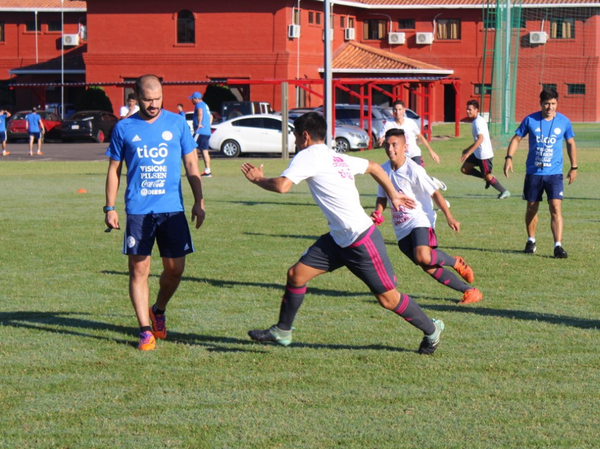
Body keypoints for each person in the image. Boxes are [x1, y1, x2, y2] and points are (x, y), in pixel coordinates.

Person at [241, 112, 445, 355]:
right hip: (338, 239)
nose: (295, 141)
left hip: (361, 240)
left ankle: (432, 330)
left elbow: (283, 186)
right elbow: (372, 167)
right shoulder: (333, 156)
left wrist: (258, 179)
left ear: (305, 136)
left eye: (295, 136)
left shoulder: (308, 155)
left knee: (388, 299)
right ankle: (283, 331)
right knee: (296, 275)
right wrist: (392, 194)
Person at [104, 74, 206, 351]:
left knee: (175, 270)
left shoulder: (176, 123)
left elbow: (191, 165)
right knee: (139, 270)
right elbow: (114, 171)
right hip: (138, 211)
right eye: (148, 99)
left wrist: (199, 200)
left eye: (158, 98)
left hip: (172, 209)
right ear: (137, 98)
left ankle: (158, 310)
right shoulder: (124, 128)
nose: (154, 104)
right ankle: (145, 330)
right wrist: (110, 207)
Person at [373, 129, 483, 304]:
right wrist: (378, 212)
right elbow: (382, 196)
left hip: (420, 218)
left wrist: (449, 217)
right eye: (387, 144)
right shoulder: (383, 170)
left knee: (423, 256)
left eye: (395, 145)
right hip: (400, 227)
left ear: (404, 147)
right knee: (429, 267)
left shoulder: (413, 169)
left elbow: (435, 193)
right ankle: (470, 291)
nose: (390, 149)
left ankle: (455, 262)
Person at [504, 88, 577, 259]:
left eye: (553, 103)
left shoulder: (564, 122)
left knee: (555, 207)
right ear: (541, 104)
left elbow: (571, 143)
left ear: (556, 103)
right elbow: (516, 138)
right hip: (534, 173)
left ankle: (558, 246)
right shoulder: (530, 120)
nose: (550, 107)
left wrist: (574, 166)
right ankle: (531, 241)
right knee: (531, 208)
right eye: (546, 103)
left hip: (554, 174)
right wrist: (509, 158)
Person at [378, 100, 447, 193]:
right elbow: (381, 136)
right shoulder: (389, 123)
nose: (397, 112)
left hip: (413, 154)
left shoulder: (410, 122)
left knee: (419, 179)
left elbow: (420, 137)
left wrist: (431, 151)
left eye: (399, 109)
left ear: (404, 110)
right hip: (400, 156)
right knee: (405, 179)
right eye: (395, 110)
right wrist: (380, 140)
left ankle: (433, 186)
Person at [461, 100, 510, 199]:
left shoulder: (478, 123)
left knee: (487, 176)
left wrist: (468, 152)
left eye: (470, 109)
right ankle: (487, 178)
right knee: (464, 169)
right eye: (467, 109)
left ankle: (504, 191)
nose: (467, 111)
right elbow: (478, 140)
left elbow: (480, 139)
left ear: (476, 110)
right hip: (477, 153)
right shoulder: (477, 120)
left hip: (484, 155)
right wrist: (468, 149)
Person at [189, 91, 212, 178]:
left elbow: (200, 112)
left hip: (200, 131)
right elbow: (211, 116)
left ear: (196, 99)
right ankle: (207, 170)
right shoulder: (206, 105)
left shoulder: (199, 105)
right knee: (204, 151)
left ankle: (194, 170)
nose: (192, 101)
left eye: (192, 99)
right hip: (206, 132)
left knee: (192, 147)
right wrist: (208, 126)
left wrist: (199, 124)